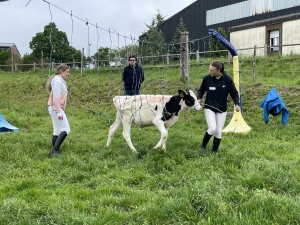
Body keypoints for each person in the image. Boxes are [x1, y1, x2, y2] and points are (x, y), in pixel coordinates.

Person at [197, 61, 240, 155]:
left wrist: (237, 104)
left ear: (219, 70)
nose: (210, 72)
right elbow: (201, 90)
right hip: (209, 106)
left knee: (218, 132)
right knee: (212, 128)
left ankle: (214, 152)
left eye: (212, 70)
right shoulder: (207, 79)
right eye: (209, 70)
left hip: (221, 108)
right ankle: (203, 147)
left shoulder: (227, 80)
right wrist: (199, 98)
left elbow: (234, 93)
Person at [46, 64, 70, 158]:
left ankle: (55, 150)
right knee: (66, 129)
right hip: (55, 108)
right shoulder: (57, 81)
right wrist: (58, 111)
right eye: (67, 72)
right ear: (61, 71)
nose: (68, 74)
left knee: (57, 130)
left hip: (54, 108)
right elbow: (56, 98)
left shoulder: (59, 81)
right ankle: (54, 151)